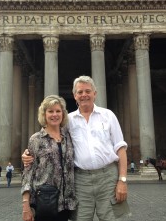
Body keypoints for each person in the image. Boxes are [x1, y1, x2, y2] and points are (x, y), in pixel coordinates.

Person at [23, 76, 130, 221]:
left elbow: (120, 148)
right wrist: (27, 155)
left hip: (108, 177)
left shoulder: (108, 115)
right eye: (80, 92)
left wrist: (122, 180)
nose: (84, 95)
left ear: (95, 93)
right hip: (80, 180)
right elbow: (51, 139)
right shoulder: (68, 121)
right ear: (75, 96)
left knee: (113, 218)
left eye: (87, 91)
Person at [21, 95, 77, 221]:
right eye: (50, 111)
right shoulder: (36, 139)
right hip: (45, 202)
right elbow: (28, 173)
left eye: (58, 111)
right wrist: (26, 205)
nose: (54, 115)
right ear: (44, 114)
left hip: (66, 203)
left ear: (63, 114)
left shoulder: (68, 138)